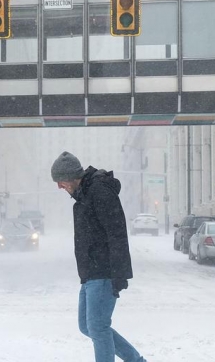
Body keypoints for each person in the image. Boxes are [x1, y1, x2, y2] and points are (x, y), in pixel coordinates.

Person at [52, 151, 147, 362]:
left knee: (97, 327)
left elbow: (117, 233)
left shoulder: (99, 191)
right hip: (90, 274)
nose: (59, 186)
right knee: (87, 326)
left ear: (72, 176)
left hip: (103, 271)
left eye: (61, 181)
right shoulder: (85, 195)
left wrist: (119, 274)